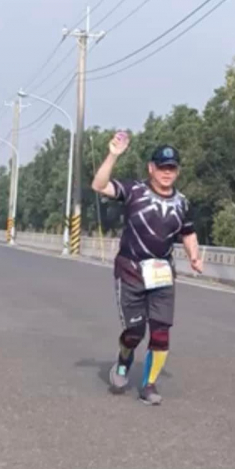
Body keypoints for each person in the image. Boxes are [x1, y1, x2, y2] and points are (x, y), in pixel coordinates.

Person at [91, 132, 203, 406]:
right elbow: (99, 185)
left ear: (177, 171)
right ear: (151, 168)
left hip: (162, 274)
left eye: (171, 168)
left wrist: (194, 256)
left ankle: (148, 385)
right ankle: (123, 360)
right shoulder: (134, 190)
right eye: (162, 167)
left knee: (161, 331)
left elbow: (188, 232)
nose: (167, 173)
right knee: (135, 332)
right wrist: (113, 155)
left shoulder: (182, 203)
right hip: (130, 271)